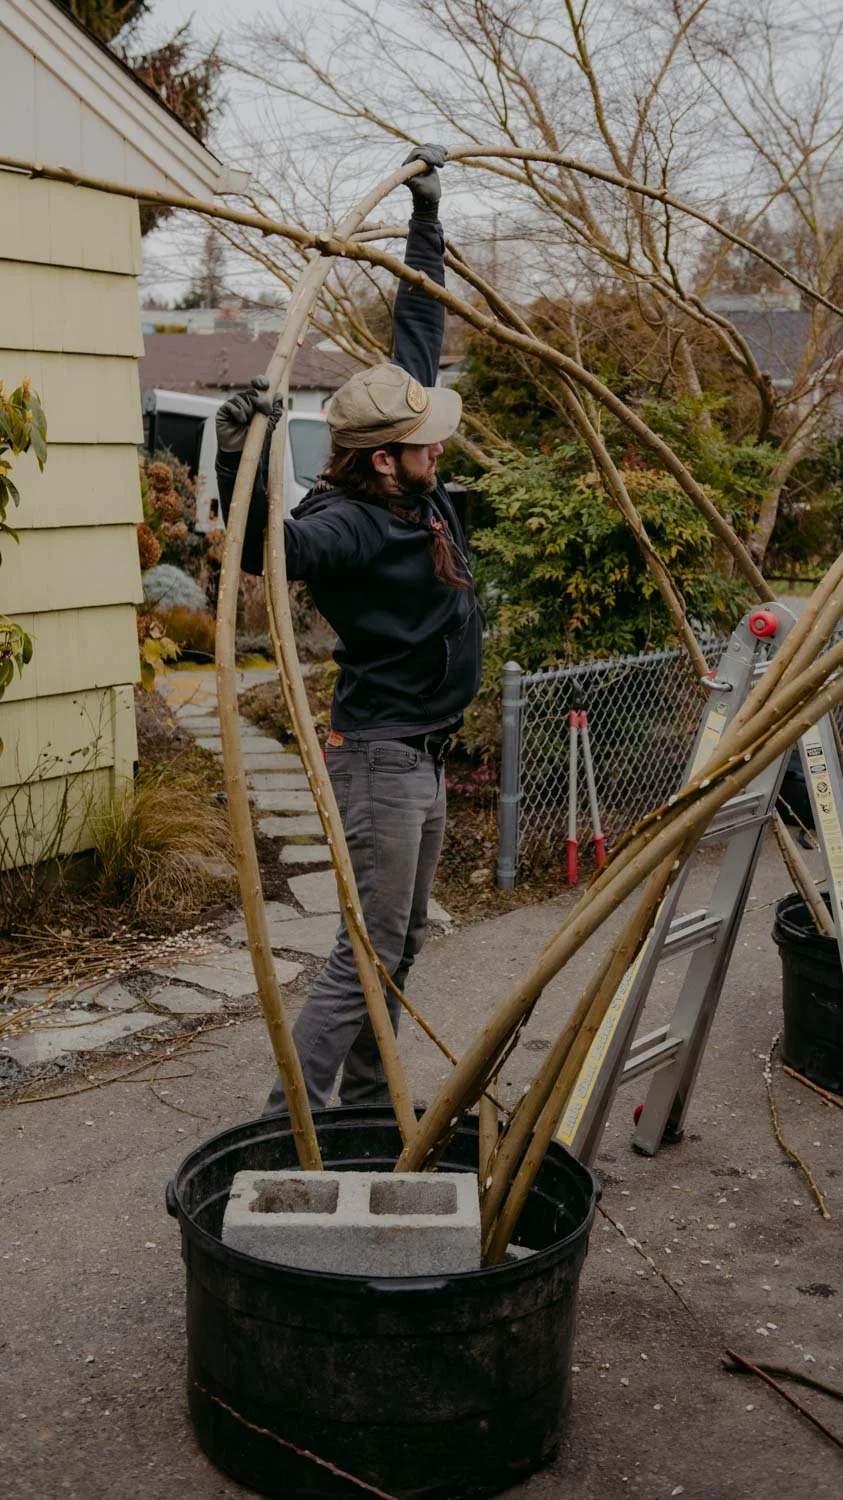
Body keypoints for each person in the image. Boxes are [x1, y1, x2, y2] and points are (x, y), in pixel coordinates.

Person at [215, 144, 483, 1114]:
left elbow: (418, 325)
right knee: (368, 947)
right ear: (381, 462)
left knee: (403, 939)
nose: (440, 444)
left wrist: (426, 216)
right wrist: (235, 448)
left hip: (425, 753)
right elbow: (265, 555)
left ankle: (370, 1103)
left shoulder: (408, 476)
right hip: (381, 760)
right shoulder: (350, 526)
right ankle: (291, 1113)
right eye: (425, 442)